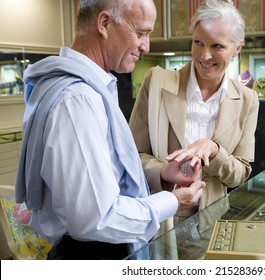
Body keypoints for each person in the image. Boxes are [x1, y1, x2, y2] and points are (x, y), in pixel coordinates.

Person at [15, 0, 204, 260]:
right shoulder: (77, 99)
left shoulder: (83, 88)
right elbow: (95, 216)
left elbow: (102, 175)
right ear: (104, 23)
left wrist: (160, 175)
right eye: (140, 33)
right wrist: (174, 202)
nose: (145, 46)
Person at [129, 0, 259, 222]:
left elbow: (240, 173)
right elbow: (131, 156)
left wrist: (215, 150)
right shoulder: (157, 83)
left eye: (217, 46)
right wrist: (163, 173)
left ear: (237, 49)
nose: (204, 56)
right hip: (160, 218)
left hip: (213, 220)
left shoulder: (247, 99)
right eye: (198, 42)